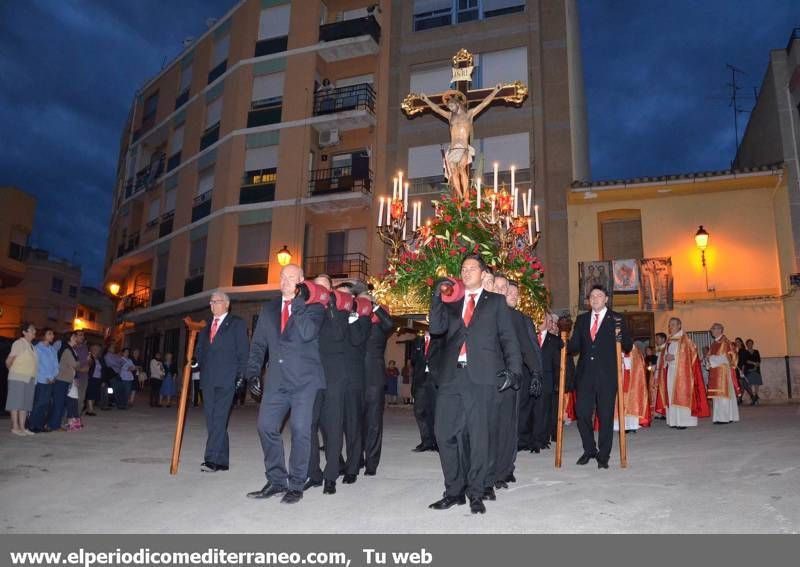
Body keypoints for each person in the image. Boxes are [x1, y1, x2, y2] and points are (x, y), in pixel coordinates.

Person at [427, 255, 522, 515]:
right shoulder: (453, 301)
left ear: (483, 273)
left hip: (482, 377)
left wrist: (514, 372)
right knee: (444, 433)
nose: (466, 271)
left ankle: (476, 492)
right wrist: (436, 297)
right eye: (463, 268)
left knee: (479, 438)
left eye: (471, 268)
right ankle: (454, 491)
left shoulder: (497, 303)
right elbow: (436, 329)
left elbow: (509, 339)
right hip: (452, 376)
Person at [245, 264, 324, 504]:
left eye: (291, 277)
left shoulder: (314, 306)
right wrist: (252, 372)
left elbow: (308, 332)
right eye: (282, 277)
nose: (285, 281)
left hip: (304, 382)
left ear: (301, 280)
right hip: (277, 381)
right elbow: (259, 344)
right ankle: (277, 480)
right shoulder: (268, 309)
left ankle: (297, 484)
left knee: (300, 431)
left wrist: (297, 302)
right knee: (265, 426)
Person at [567, 285, 633, 469]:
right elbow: (574, 347)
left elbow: (627, 345)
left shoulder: (617, 318)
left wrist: (621, 336)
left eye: (599, 295)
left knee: (605, 416)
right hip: (585, 376)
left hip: (607, 377)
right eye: (592, 296)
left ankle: (603, 455)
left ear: (606, 299)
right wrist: (563, 340)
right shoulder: (581, 319)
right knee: (582, 413)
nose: (595, 298)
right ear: (588, 300)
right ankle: (589, 449)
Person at [491, 276, 541, 493]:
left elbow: (527, 348)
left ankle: (503, 469)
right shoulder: (486, 311)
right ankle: (493, 469)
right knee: (490, 427)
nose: (506, 293)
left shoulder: (517, 317)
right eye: (501, 289)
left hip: (511, 379)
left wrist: (537, 373)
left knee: (509, 428)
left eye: (509, 290)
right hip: (487, 377)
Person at [195, 290, 249, 473]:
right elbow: (201, 351)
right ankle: (222, 460)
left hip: (227, 379)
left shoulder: (236, 324)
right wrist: (195, 362)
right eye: (210, 302)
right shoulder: (206, 326)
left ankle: (210, 459)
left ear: (226, 304)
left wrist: (242, 376)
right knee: (212, 420)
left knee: (218, 419)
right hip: (208, 379)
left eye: (216, 301)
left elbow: (243, 351)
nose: (212, 305)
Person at [418, 85, 503, 199]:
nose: (451, 108)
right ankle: (460, 196)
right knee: (453, 172)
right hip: (453, 148)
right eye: (449, 107)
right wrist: (427, 100)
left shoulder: (469, 114)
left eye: (452, 105)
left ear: (457, 104)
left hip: (463, 147)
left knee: (461, 169)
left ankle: (466, 196)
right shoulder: (450, 117)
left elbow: (483, 104)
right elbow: (437, 109)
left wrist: (495, 91)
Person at [305, 274, 349, 496]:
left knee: (333, 426)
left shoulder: (339, 310)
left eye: (324, 288)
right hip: (312, 375)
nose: (320, 292)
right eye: (317, 287)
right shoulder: (308, 309)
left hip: (333, 374)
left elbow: (340, 334)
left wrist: (331, 305)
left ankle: (331, 475)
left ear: (330, 290)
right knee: (308, 425)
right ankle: (313, 473)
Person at [338, 282, 371, 485]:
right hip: (333, 378)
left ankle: (352, 468)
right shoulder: (331, 317)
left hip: (353, 379)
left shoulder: (362, 319)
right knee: (332, 426)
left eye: (344, 296)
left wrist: (350, 318)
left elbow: (358, 340)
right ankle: (338, 463)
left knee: (352, 426)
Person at [653, 318, 709, 429]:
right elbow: (664, 355)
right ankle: (674, 421)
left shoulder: (685, 339)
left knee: (682, 395)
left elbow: (692, 353)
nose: (671, 327)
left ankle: (684, 421)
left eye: (673, 324)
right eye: (669, 325)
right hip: (670, 371)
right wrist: (665, 358)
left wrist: (674, 357)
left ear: (679, 325)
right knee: (671, 395)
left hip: (683, 373)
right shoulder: (669, 340)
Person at [362, 300, 394, 476]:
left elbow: (390, 322)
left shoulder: (382, 326)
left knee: (373, 423)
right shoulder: (359, 321)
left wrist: (374, 306)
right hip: (357, 379)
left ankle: (371, 463)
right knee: (356, 422)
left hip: (374, 379)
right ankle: (357, 458)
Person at [527, 312, 561, 453]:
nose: (541, 320)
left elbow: (558, 364)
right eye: (539, 317)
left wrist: (558, 382)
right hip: (530, 379)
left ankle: (540, 440)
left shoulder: (555, 340)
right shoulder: (530, 336)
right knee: (531, 410)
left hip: (547, 380)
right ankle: (530, 438)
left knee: (543, 411)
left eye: (545, 319)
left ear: (549, 322)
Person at [5, 322, 38, 436]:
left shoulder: (32, 346)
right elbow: (8, 361)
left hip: (30, 378)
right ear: (24, 332)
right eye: (32, 330)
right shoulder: (19, 343)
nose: (35, 332)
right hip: (18, 377)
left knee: (25, 404)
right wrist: (14, 373)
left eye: (34, 330)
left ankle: (23, 427)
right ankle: (15, 427)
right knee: (15, 403)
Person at [705, 324, 741, 424]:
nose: (711, 330)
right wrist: (708, 362)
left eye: (713, 328)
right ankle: (719, 417)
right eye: (711, 328)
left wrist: (712, 359)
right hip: (715, 372)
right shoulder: (714, 343)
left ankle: (724, 417)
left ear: (720, 330)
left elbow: (730, 358)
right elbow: (709, 356)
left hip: (723, 372)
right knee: (717, 395)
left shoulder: (726, 342)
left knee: (723, 394)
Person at [411, 331, 439, 452]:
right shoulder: (418, 341)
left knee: (436, 412)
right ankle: (426, 441)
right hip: (421, 380)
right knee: (419, 411)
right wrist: (418, 347)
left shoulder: (440, 339)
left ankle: (437, 442)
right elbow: (413, 360)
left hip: (434, 380)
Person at [49, 331, 80, 431]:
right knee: (59, 404)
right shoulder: (67, 350)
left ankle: (56, 424)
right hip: (61, 380)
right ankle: (54, 425)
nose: (76, 339)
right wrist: (82, 361)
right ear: (70, 338)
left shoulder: (70, 349)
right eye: (75, 337)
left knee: (61, 404)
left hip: (65, 380)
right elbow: (75, 364)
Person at [29, 328, 58, 432]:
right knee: (39, 403)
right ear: (43, 335)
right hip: (42, 379)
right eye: (49, 334)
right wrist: (48, 377)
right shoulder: (37, 348)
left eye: (53, 334)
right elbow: (38, 365)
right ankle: (32, 425)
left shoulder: (52, 349)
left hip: (51, 380)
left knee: (46, 403)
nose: (52, 336)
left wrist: (54, 376)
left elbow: (56, 365)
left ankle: (40, 424)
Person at [734, 337, 757, 405]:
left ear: (741, 342)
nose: (736, 343)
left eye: (738, 341)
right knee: (743, 385)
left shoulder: (743, 350)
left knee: (743, 385)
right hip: (738, 369)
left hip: (742, 369)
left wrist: (742, 370)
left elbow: (744, 362)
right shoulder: (737, 350)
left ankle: (742, 399)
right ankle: (743, 399)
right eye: (736, 342)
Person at [650, 332, 667, 419]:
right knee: (655, 393)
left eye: (658, 338)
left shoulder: (666, 348)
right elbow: (655, 362)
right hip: (656, 373)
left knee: (663, 393)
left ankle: (664, 412)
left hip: (663, 374)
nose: (656, 340)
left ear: (663, 339)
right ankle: (657, 412)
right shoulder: (657, 350)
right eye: (656, 338)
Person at [73, 331, 90, 416]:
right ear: (74, 336)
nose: (82, 337)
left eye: (83, 335)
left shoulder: (85, 347)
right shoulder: (72, 347)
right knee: (72, 398)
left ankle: (77, 418)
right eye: (80, 335)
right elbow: (69, 363)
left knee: (81, 398)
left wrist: (89, 363)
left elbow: (87, 361)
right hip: (74, 376)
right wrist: (80, 369)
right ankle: (70, 418)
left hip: (84, 377)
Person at [85, 344, 104, 416]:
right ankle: (91, 410)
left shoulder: (100, 359)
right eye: (95, 348)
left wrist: (103, 380)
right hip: (91, 378)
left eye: (98, 349)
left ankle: (89, 409)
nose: (96, 350)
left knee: (95, 394)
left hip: (98, 378)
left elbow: (103, 370)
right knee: (90, 393)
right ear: (91, 349)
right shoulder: (89, 357)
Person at [744, 339, 762, 404]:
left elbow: (759, 360)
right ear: (746, 344)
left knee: (756, 383)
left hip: (756, 369)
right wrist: (754, 364)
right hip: (748, 370)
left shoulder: (756, 351)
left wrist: (755, 367)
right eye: (748, 343)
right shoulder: (745, 352)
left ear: (752, 344)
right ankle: (752, 398)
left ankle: (756, 396)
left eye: (751, 343)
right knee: (749, 384)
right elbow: (746, 361)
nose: (750, 344)